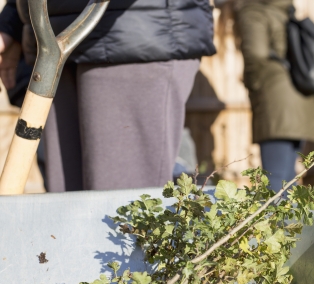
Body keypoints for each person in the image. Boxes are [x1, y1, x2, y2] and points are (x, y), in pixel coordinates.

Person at [0, 0, 216, 192]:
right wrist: (13, 22)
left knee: (121, 216)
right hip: (55, 43)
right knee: (67, 212)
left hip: (136, 33)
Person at [234, 0, 314, 192]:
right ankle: (291, 222)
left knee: (273, 181)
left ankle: (274, 222)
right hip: (301, 101)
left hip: (276, 102)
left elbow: (256, 53)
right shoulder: (284, 10)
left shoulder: (253, 10)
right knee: (287, 178)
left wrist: (254, 84)